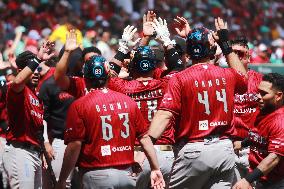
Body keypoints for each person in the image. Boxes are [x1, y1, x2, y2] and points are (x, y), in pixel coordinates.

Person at [146, 17, 248, 188]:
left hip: (194, 149)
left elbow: (165, 113)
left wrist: (147, 141)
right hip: (224, 149)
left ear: (189, 52)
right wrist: (224, 43)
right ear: (212, 49)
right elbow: (243, 79)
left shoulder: (180, 78)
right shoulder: (227, 75)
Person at [55, 55, 165, 189]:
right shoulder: (128, 102)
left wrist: (62, 179)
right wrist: (155, 168)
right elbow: (145, 138)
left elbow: (75, 145)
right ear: (109, 77)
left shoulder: (80, 105)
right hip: (127, 175)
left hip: (96, 175)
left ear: (85, 78)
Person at [2, 48, 52, 188]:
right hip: (20, 151)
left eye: (38, 69)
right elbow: (18, 81)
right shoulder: (17, 90)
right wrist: (37, 59)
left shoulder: (37, 96)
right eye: (32, 69)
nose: (36, 72)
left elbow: (38, 127)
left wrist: (43, 147)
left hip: (34, 152)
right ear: (21, 71)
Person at [233, 73, 284, 189]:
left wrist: (247, 180)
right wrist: (243, 143)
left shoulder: (280, 121)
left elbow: (274, 158)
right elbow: (259, 135)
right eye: (258, 92)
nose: (258, 97)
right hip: (258, 177)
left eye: (264, 94)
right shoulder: (263, 109)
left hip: (274, 182)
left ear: (278, 96)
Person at [232, 36, 263, 181]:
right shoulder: (221, 79)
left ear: (249, 56)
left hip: (254, 147)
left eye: (241, 53)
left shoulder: (261, 81)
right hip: (229, 147)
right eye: (234, 53)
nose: (237, 57)